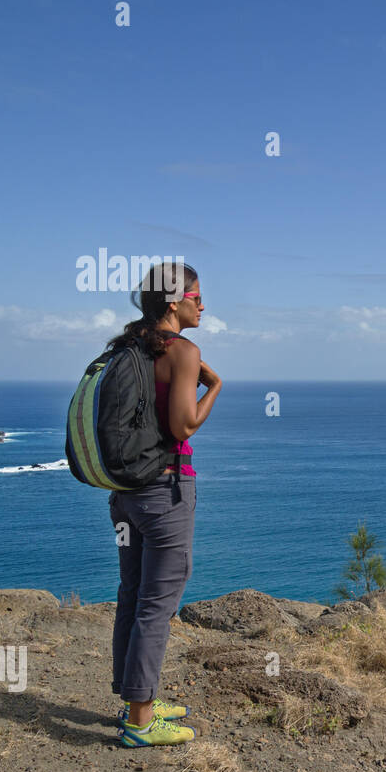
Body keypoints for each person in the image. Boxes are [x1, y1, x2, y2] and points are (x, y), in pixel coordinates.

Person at [104, 261, 222, 746]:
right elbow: (183, 426)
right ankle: (140, 722)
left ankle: (136, 697)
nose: (203, 305)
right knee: (157, 605)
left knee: (132, 595)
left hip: (124, 495)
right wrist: (213, 386)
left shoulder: (127, 347)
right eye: (197, 297)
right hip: (165, 492)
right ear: (175, 303)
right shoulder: (183, 352)